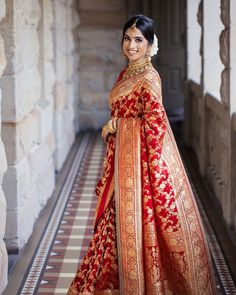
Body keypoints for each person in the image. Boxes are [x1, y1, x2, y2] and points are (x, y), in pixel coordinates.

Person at [67, 14, 216, 295]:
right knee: (112, 228)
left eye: (138, 40)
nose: (131, 45)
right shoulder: (127, 73)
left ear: (150, 45)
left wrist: (117, 125)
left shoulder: (149, 78)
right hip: (120, 164)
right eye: (127, 38)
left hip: (140, 172)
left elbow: (155, 125)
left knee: (139, 228)